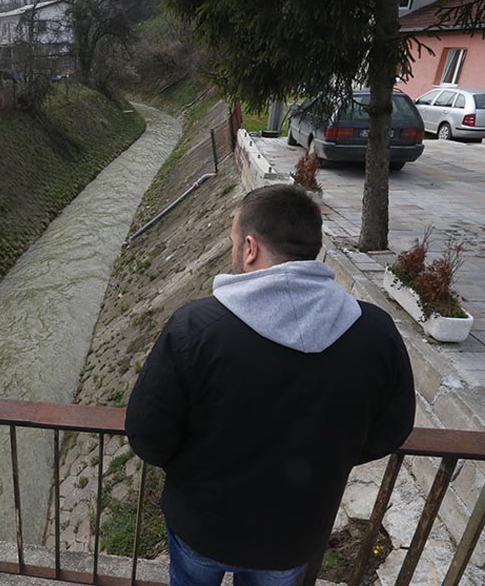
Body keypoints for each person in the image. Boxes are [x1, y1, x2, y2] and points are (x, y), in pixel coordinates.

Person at [125, 184, 415, 586]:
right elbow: (391, 430)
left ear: (248, 247)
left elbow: (148, 437)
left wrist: (195, 470)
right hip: (294, 535)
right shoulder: (376, 333)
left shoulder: (196, 328)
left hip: (202, 524)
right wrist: (324, 460)